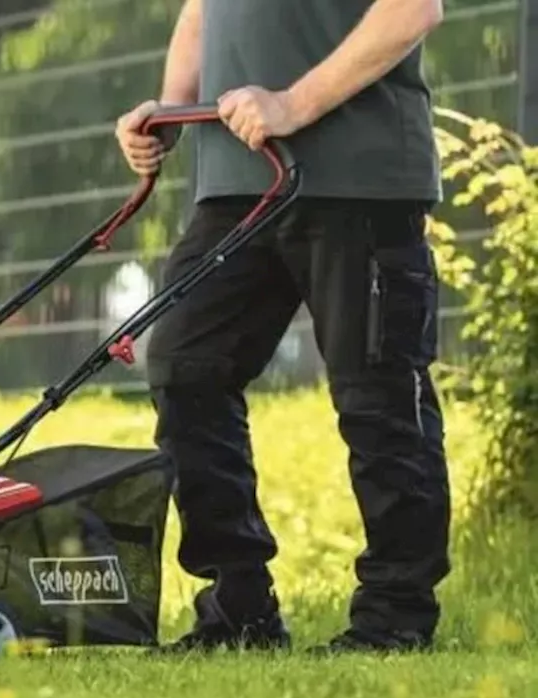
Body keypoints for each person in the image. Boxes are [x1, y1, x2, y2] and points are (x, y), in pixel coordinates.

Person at [114, 0, 450, 653]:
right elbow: (203, 9)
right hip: (238, 180)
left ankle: (396, 614)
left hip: (360, 179)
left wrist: (292, 105)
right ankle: (238, 606)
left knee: (378, 395)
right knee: (185, 366)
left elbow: (414, 9)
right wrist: (171, 108)